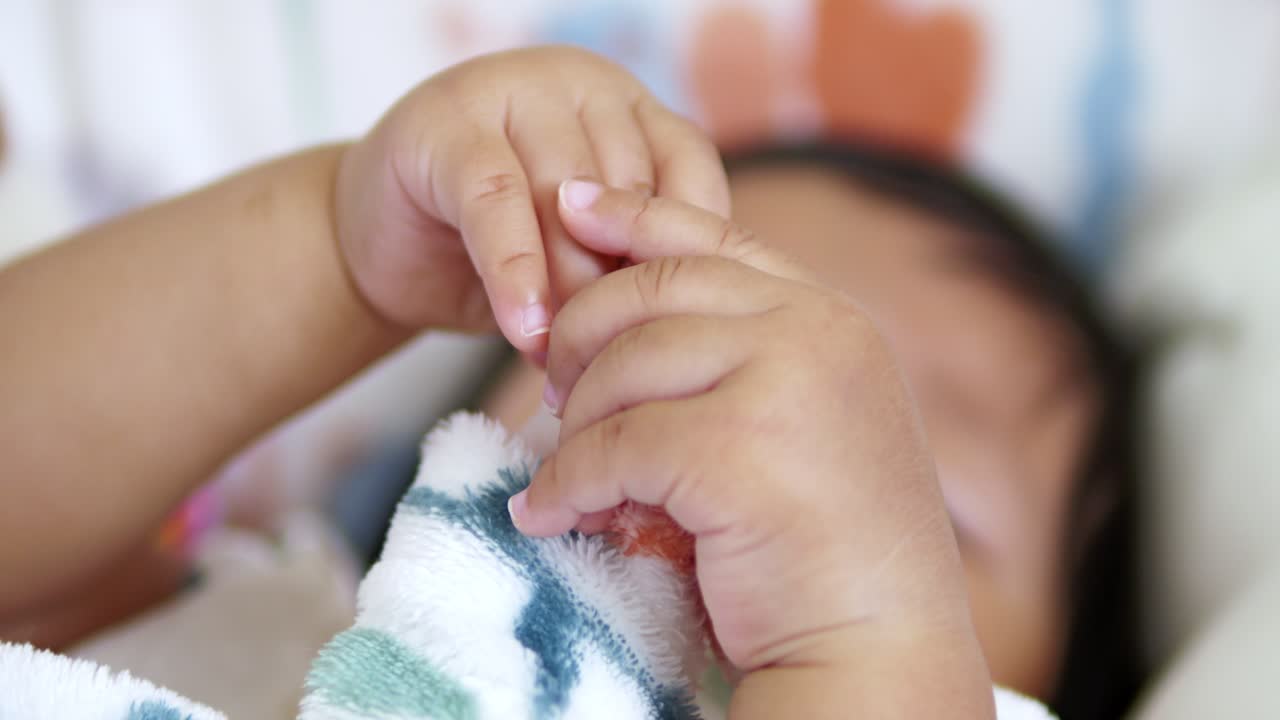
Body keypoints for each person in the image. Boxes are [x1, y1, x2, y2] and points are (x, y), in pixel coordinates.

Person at [0, 46, 1135, 718]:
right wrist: (338, 261)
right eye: (650, 326)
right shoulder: (291, 629)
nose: (744, 439)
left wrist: (869, 643)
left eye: (918, 494)